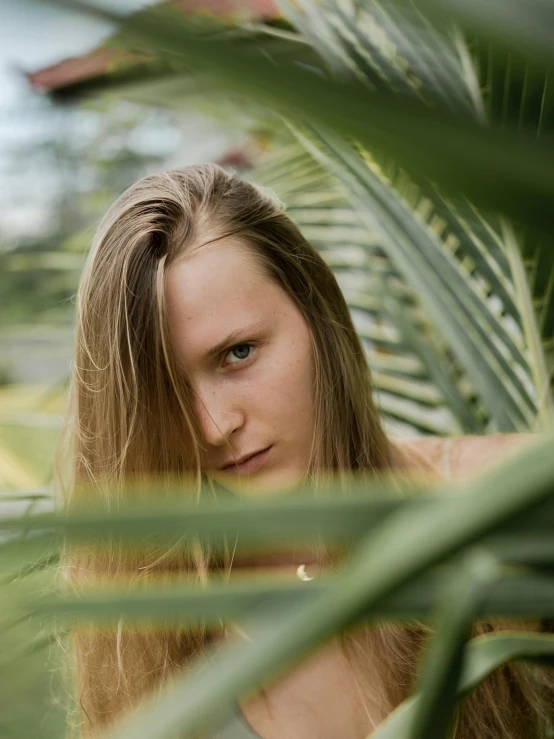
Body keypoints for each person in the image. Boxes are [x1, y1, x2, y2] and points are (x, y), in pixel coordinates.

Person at [56, 163, 553, 738]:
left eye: (238, 353)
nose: (213, 428)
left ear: (317, 312)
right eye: (165, 389)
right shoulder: (143, 601)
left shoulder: (506, 509)